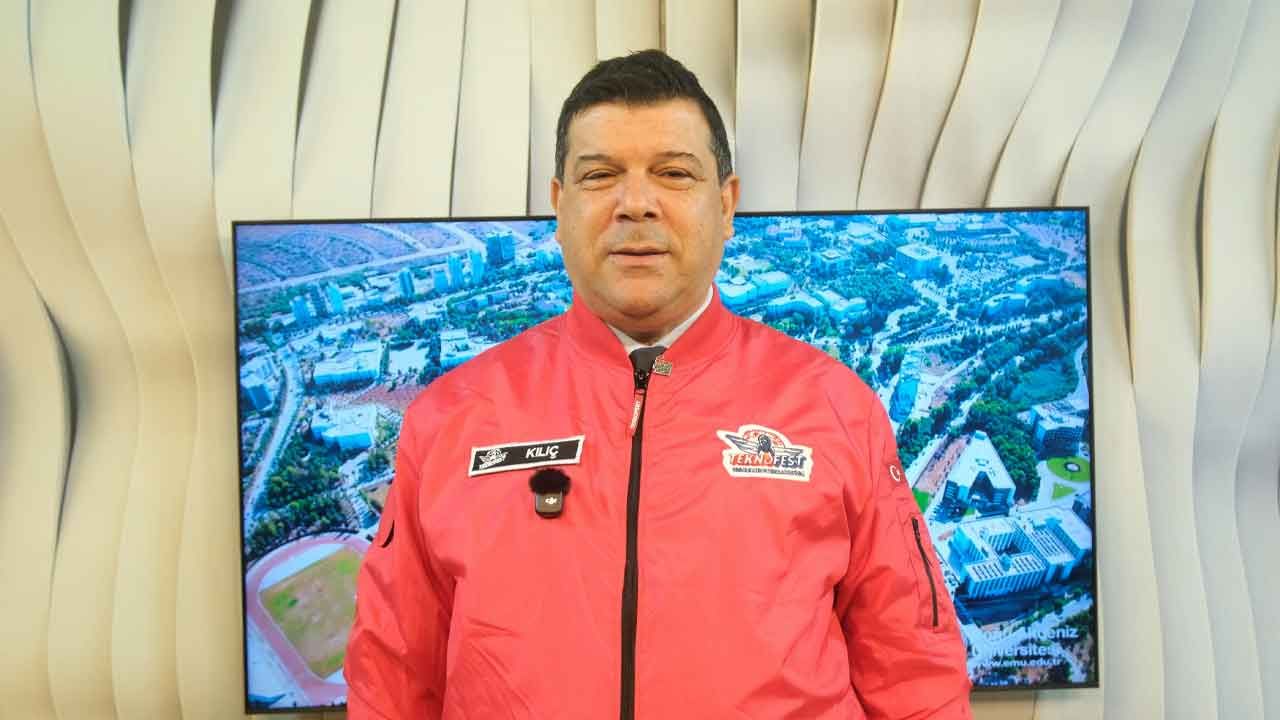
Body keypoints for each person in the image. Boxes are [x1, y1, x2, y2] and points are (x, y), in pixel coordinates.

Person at [346, 50, 972, 719]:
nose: (636, 204)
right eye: (600, 175)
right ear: (559, 205)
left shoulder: (836, 406)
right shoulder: (451, 416)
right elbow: (392, 679)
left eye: (674, 174)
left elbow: (915, 675)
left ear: (725, 205)